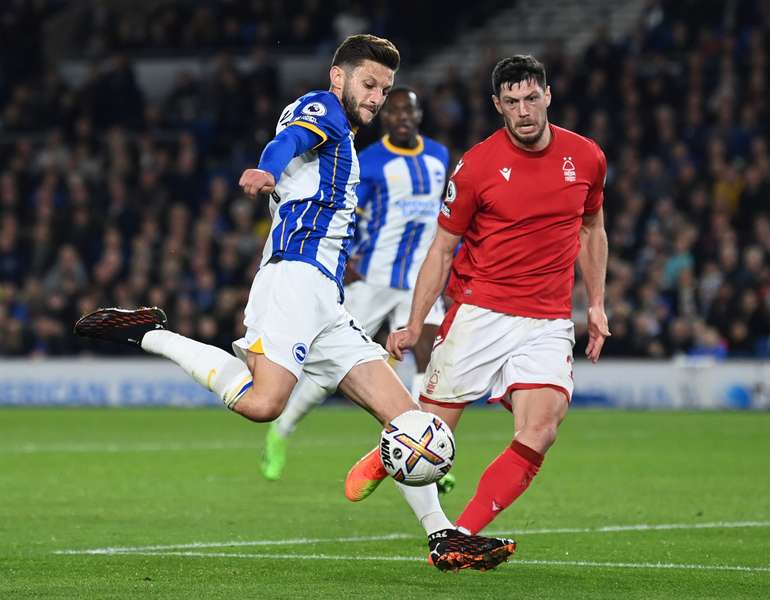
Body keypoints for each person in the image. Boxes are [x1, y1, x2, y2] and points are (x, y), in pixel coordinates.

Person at [73, 34, 514, 572]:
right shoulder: (323, 108)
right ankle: (146, 332)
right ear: (339, 77)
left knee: (408, 421)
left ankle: (443, 536)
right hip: (293, 281)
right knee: (264, 404)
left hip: (325, 298)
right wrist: (266, 168)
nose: (377, 97)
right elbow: (289, 142)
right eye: (369, 84)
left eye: (385, 89)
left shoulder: (347, 138)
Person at [342, 55, 610, 562]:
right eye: (512, 102)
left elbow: (592, 230)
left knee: (540, 431)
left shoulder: (587, 157)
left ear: (548, 96)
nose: (524, 111)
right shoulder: (477, 166)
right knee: (427, 434)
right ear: (497, 106)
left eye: (532, 98)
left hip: (549, 319)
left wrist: (595, 304)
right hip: (479, 312)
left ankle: (457, 537)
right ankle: (385, 456)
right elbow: (442, 249)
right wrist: (415, 321)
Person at [260, 86, 451, 482]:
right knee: (329, 368)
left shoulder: (438, 156)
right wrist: (347, 258)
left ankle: (422, 447)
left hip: (418, 280)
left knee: (429, 359)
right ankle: (282, 429)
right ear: (385, 119)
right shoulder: (370, 161)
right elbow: (344, 209)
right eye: (393, 112)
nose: (400, 118)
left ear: (418, 116)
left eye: (407, 112)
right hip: (373, 279)